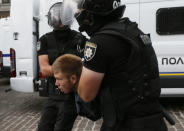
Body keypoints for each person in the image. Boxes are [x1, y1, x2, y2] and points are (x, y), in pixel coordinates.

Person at [62, 0, 168, 131]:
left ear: (91, 13)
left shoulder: (99, 42)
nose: (77, 13)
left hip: (125, 125)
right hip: (154, 121)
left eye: (79, 10)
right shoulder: (133, 30)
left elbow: (86, 94)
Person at [37, 2, 86, 131]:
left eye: (62, 17)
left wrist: (57, 69)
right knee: (43, 127)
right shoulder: (44, 40)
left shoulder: (80, 39)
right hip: (53, 94)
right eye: (57, 17)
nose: (59, 21)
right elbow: (44, 69)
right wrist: (69, 69)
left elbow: (84, 68)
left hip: (71, 97)